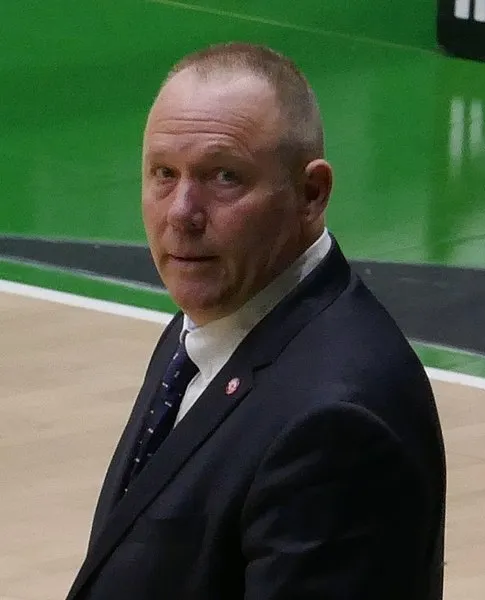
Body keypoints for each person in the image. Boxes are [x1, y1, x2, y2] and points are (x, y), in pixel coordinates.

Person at [66, 43, 446, 600]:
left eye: (224, 176)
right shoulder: (212, 322)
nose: (181, 213)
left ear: (311, 194)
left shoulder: (335, 426)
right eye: (163, 174)